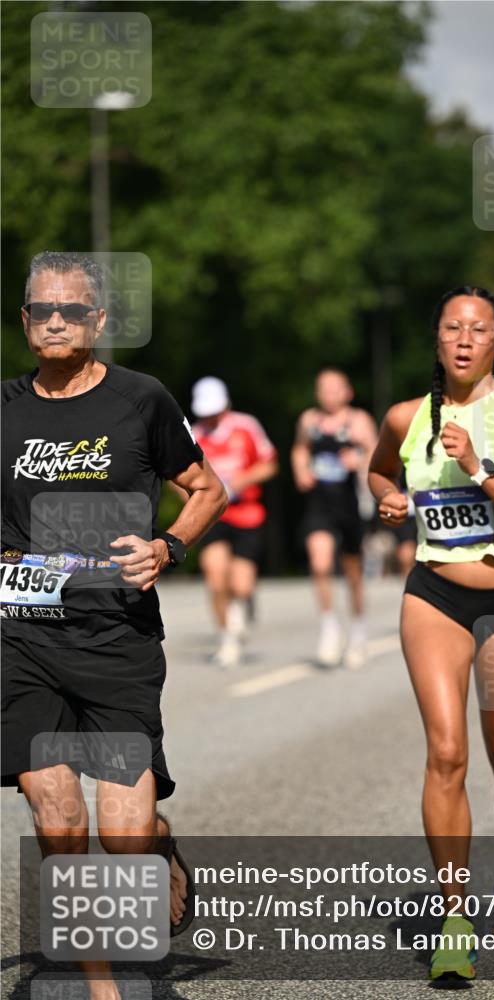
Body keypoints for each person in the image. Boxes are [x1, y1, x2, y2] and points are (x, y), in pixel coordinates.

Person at [1, 252, 226, 1000]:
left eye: (70, 311)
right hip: (22, 637)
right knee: (60, 822)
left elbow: (205, 486)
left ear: (98, 321)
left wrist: (169, 546)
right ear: (26, 319)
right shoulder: (2, 409)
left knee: (124, 836)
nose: (54, 322)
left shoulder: (142, 400)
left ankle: (159, 844)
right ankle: (101, 985)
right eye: (41, 310)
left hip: (117, 637)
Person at [368, 285, 494, 981]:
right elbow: (376, 468)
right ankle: (454, 918)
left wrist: (480, 469)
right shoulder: (404, 416)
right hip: (433, 597)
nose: (462, 338)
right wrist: (387, 497)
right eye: (451, 326)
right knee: (445, 754)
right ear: (437, 339)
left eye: (477, 329)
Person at [189, 377, 278, 667]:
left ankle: (244, 602)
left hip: (247, 514)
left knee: (241, 585)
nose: (210, 416)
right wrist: (194, 501)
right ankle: (226, 638)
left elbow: (269, 464)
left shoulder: (246, 426)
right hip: (213, 516)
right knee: (215, 575)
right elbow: (176, 477)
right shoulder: (193, 434)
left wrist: (241, 482)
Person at [292, 368, 377, 668]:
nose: (328, 394)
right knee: (320, 562)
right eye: (323, 388)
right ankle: (329, 627)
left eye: (334, 388)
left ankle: (358, 630)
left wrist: (359, 458)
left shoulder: (358, 421)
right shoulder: (309, 420)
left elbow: (379, 455)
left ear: (347, 392)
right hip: (320, 506)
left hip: (350, 504)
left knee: (353, 573)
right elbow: (299, 449)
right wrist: (301, 469)